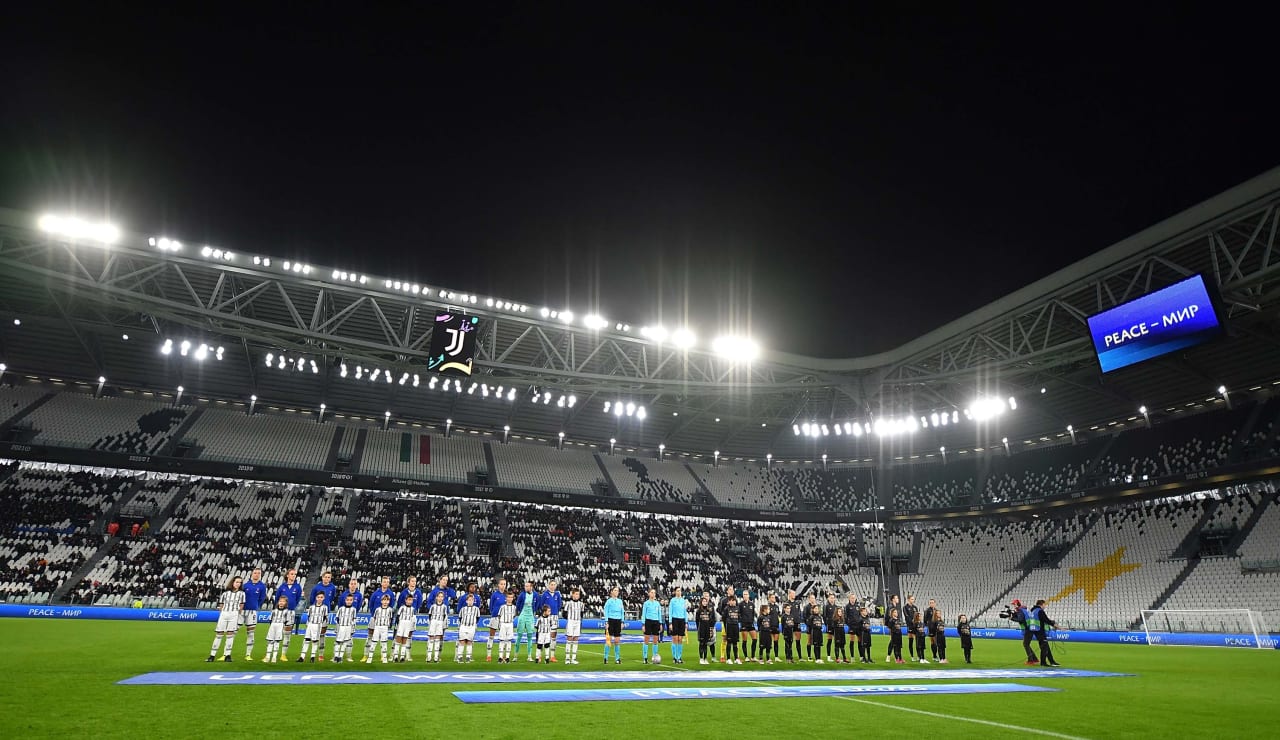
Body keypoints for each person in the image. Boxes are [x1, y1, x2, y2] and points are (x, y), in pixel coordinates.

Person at [207, 575, 244, 662]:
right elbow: (221, 605)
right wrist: (223, 613)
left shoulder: (242, 594)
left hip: (234, 615)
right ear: (233, 582)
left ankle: (228, 655)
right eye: (237, 582)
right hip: (224, 614)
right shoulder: (225, 594)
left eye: (240, 582)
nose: (238, 584)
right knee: (219, 634)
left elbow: (241, 606)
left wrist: (236, 613)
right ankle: (212, 655)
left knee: (230, 635)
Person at [273, 568, 303, 656]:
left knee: (287, 633)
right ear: (287, 575)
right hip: (280, 612)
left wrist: (292, 607)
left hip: (291, 612)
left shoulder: (298, 587)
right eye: (292, 574)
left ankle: (283, 654)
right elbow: (277, 598)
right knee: (277, 632)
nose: (294, 576)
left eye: (295, 574)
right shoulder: (282, 587)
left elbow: (297, 599)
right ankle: (273, 653)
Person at [241, 567, 268, 660]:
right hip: (241, 611)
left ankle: (248, 654)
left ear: (260, 575)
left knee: (251, 633)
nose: (256, 574)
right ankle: (227, 654)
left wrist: (255, 605)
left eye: (258, 573)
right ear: (252, 574)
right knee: (233, 632)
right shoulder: (245, 585)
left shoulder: (262, 586)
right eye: (255, 573)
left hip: (252, 611)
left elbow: (262, 599)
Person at [263, 595, 294, 663]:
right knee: (270, 641)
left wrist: (282, 626)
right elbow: (270, 620)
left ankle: (274, 657)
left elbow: (287, 621)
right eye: (280, 601)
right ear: (278, 602)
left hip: (280, 626)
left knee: (277, 641)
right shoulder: (274, 611)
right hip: (273, 626)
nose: (281, 602)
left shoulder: (287, 611)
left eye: (283, 601)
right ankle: (267, 657)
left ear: (286, 603)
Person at [299, 592, 329, 662]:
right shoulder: (311, 607)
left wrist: (322, 625)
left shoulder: (325, 607)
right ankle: (302, 657)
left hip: (318, 625)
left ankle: (312, 657)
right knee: (306, 640)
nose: (319, 599)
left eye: (321, 597)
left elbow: (325, 617)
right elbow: (309, 616)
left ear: (323, 598)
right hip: (310, 624)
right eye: (318, 597)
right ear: (316, 598)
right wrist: (308, 624)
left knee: (315, 641)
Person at [539, 579, 564, 662]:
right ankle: (539, 656)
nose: (553, 586)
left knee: (553, 637)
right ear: (548, 585)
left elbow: (560, 605)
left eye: (554, 585)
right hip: (546, 618)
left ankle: (552, 656)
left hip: (555, 617)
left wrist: (555, 611)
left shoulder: (557, 594)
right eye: (551, 585)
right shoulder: (544, 594)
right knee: (543, 636)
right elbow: (541, 605)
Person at [365, 594, 394, 664]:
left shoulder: (390, 610)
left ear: (389, 601)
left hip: (385, 628)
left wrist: (387, 626)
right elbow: (374, 618)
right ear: (381, 601)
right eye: (384, 600)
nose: (385, 602)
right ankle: (370, 658)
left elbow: (390, 619)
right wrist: (377, 625)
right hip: (377, 627)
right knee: (374, 642)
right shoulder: (377, 609)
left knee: (384, 643)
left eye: (387, 600)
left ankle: (384, 658)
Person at [485, 577, 509, 662]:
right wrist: (494, 613)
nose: (503, 586)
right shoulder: (495, 595)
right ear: (498, 585)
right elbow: (491, 606)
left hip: (504, 619)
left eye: (504, 584)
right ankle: (488, 655)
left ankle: (503, 656)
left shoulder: (507, 595)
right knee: (491, 636)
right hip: (495, 618)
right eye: (501, 584)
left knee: (504, 638)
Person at [368, 576, 396, 646]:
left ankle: (382, 655)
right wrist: (373, 615)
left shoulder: (391, 594)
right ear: (381, 583)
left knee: (383, 638)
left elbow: (391, 606)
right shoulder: (375, 593)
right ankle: (366, 655)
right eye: (384, 582)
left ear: (389, 583)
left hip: (384, 619)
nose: (385, 583)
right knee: (370, 635)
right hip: (374, 618)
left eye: (387, 582)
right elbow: (371, 604)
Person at [514, 581, 538, 661]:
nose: (526, 587)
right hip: (522, 616)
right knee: (519, 636)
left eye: (527, 586)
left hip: (530, 617)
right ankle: (515, 656)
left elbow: (538, 604)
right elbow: (517, 604)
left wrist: (535, 612)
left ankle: (529, 656)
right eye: (525, 586)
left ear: (531, 587)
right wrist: (518, 612)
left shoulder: (535, 595)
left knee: (530, 636)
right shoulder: (522, 594)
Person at [392, 592, 418, 662]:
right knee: (398, 639)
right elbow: (397, 616)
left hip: (408, 625)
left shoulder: (413, 609)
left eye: (411, 600)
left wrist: (412, 626)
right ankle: (396, 656)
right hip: (401, 624)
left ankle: (402, 656)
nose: (410, 601)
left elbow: (413, 619)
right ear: (406, 600)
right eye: (409, 600)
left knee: (405, 640)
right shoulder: (402, 607)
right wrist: (396, 625)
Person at [332, 592, 358, 663]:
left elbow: (354, 620)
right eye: (347, 600)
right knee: (338, 642)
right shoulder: (341, 609)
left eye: (350, 600)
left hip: (348, 627)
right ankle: (336, 656)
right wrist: (338, 628)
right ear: (345, 600)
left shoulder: (353, 609)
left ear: (352, 601)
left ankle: (340, 656)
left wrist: (352, 630)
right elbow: (337, 618)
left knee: (345, 642)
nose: (349, 601)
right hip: (341, 627)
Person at [666, 586, 689, 665]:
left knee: (680, 639)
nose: (679, 592)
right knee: (675, 639)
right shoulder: (672, 601)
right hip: (674, 620)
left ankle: (679, 657)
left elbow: (685, 612)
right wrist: (670, 623)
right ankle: (674, 657)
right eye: (677, 591)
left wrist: (686, 622)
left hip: (682, 620)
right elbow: (670, 612)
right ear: (675, 592)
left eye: (680, 591)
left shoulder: (683, 601)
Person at [456, 592, 481, 663]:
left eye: (472, 600)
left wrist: (473, 624)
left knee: (469, 641)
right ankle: (460, 657)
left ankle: (468, 657)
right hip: (463, 626)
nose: (470, 601)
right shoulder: (463, 609)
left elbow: (477, 618)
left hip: (471, 627)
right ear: (467, 601)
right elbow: (460, 618)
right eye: (469, 600)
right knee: (462, 641)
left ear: (473, 601)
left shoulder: (476, 609)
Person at [426, 590, 449, 663]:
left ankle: (436, 657)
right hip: (433, 622)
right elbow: (430, 615)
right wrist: (431, 623)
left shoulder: (444, 607)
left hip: (440, 623)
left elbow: (445, 616)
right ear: (436, 597)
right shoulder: (433, 606)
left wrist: (444, 625)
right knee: (431, 638)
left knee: (438, 639)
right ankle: (429, 657)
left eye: (442, 597)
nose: (440, 598)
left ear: (443, 598)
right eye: (439, 596)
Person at [604, 586, 625, 664]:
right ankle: (606, 658)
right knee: (608, 641)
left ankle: (617, 658)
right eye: (615, 590)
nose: (617, 592)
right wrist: (606, 622)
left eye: (618, 591)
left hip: (618, 621)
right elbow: (606, 611)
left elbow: (622, 611)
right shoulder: (609, 601)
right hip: (610, 620)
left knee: (617, 641)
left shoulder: (620, 601)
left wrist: (622, 622)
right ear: (612, 592)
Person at [563, 587, 585, 664]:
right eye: (576, 594)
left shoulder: (581, 604)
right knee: (569, 638)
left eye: (578, 594)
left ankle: (573, 658)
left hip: (578, 622)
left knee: (576, 639)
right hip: (570, 622)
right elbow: (564, 614)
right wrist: (569, 619)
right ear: (572, 595)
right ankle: (567, 658)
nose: (577, 596)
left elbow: (582, 614)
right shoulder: (568, 603)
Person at [641, 588, 663, 664]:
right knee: (646, 640)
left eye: (654, 592)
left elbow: (659, 614)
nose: (653, 594)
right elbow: (643, 614)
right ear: (649, 594)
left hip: (656, 622)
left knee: (655, 641)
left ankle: (655, 657)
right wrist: (643, 624)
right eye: (652, 592)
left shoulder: (657, 603)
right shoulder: (646, 603)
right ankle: (645, 657)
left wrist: (660, 624)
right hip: (648, 622)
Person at [496, 590, 517, 663]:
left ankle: (507, 657)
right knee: (502, 640)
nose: (510, 599)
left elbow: (514, 616)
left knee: (509, 640)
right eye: (508, 597)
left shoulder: (514, 607)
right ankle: (500, 657)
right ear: (506, 598)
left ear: (513, 598)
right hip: (503, 624)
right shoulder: (502, 607)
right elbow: (499, 616)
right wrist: (500, 624)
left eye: (511, 597)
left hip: (510, 624)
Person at [695, 594, 716, 665]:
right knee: (701, 643)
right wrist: (699, 629)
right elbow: (697, 621)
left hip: (707, 629)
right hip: (701, 629)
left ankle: (705, 658)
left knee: (706, 644)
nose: (704, 603)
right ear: (701, 602)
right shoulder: (698, 611)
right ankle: (701, 658)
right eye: (703, 601)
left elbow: (710, 620)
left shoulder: (709, 610)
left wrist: (710, 628)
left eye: (705, 601)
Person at [716, 587, 736, 662]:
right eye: (730, 589)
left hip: (733, 622)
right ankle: (722, 656)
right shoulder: (723, 599)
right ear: (727, 591)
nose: (732, 591)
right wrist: (724, 615)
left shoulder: (735, 599)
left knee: (734, 639)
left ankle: (735, 656)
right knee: (725, 638)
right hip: (726, 622)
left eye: (733, 589)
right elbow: (718, 609)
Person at [740, 590, 758, 662]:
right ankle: (746, 657)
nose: (745, 595)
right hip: (744, 624)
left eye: (746, 594)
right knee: (745, 641)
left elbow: (753, 614)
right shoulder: (740, 604)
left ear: (748, 595)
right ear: (742, 596)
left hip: (751, 624)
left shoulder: (752, 604)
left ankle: (753, 656)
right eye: (744, 594)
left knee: (755, 639)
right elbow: (738, 614)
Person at [904, 594, 923, 662]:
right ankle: (912, 656)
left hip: (916, 626)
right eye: (912, 599)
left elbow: (917, 616)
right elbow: (906, 616)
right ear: (908, 599)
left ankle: (919, 655)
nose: (913, 600)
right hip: (910, 626)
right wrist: (912, 621)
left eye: (913, 599)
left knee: (917, 641)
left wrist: (917, 622)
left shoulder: (915, 607)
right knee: (911, 641)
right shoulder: (905, 607)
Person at [723, 596, 741, 664]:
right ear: (729, 601)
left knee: (735, 642)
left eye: (734, 600)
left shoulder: (737, 608)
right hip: (729, 626)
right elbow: (724, 618)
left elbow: (739, 617)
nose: (733, 602)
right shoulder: (726, 608)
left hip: (736, 626)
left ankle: (736, 658)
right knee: (729, 642)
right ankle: (728, 659)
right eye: (732, 600)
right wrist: (725, 627)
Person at [822, 593, 838, 661]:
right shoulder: (826, 606)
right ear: (828, 599)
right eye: (830, 598)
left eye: (833, 598)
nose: (832, 599)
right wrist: (827, 624)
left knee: (837, 641)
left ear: (834, 599)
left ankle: (837, 657)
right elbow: (824, 616)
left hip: (836, 626)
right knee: (829, 641)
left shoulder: (836, 607)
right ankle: (828, 657)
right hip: (829, 626)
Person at [884, 594, 901, 662]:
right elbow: (889, 616)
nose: (898, 599)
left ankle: (895, 656)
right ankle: (889, 656)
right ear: (893, 599)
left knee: (894, 641)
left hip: (894, 625)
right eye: (896, 598)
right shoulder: (891, 606)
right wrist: (889, 626)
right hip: (892, 626)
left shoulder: (894, 606)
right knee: (893, 641)